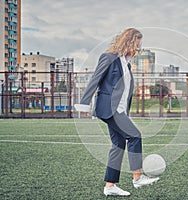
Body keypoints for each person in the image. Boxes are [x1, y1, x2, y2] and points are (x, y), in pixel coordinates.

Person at [75, 28, 159, 196]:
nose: (138, 48)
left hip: (119, 110)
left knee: (118, 145)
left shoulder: (126, 63)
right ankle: (137, 177)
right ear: (129, 42)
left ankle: (110, 186)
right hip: (108, 108)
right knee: (135, 135)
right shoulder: (109, 58)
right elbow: (96, 79)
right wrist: (84, 104)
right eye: (137, 44)